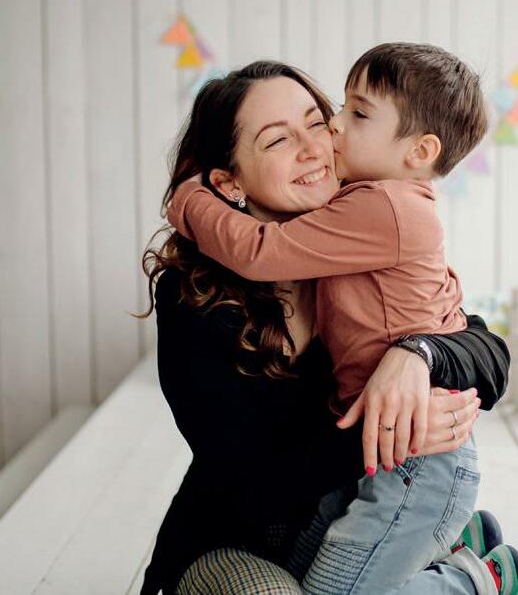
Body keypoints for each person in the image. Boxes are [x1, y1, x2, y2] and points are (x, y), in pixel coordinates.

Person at [140, 60, 510, 595]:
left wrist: (417, 354)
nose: (315, 145)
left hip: (359, 503)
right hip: (238, 540)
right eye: (277, 140)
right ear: (229, 181)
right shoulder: (192, 297)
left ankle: (448, 566)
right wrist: (381, 436)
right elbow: (249, 477)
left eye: (316, 122)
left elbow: (485, 350)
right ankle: (455, 573)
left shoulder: (361, 243)